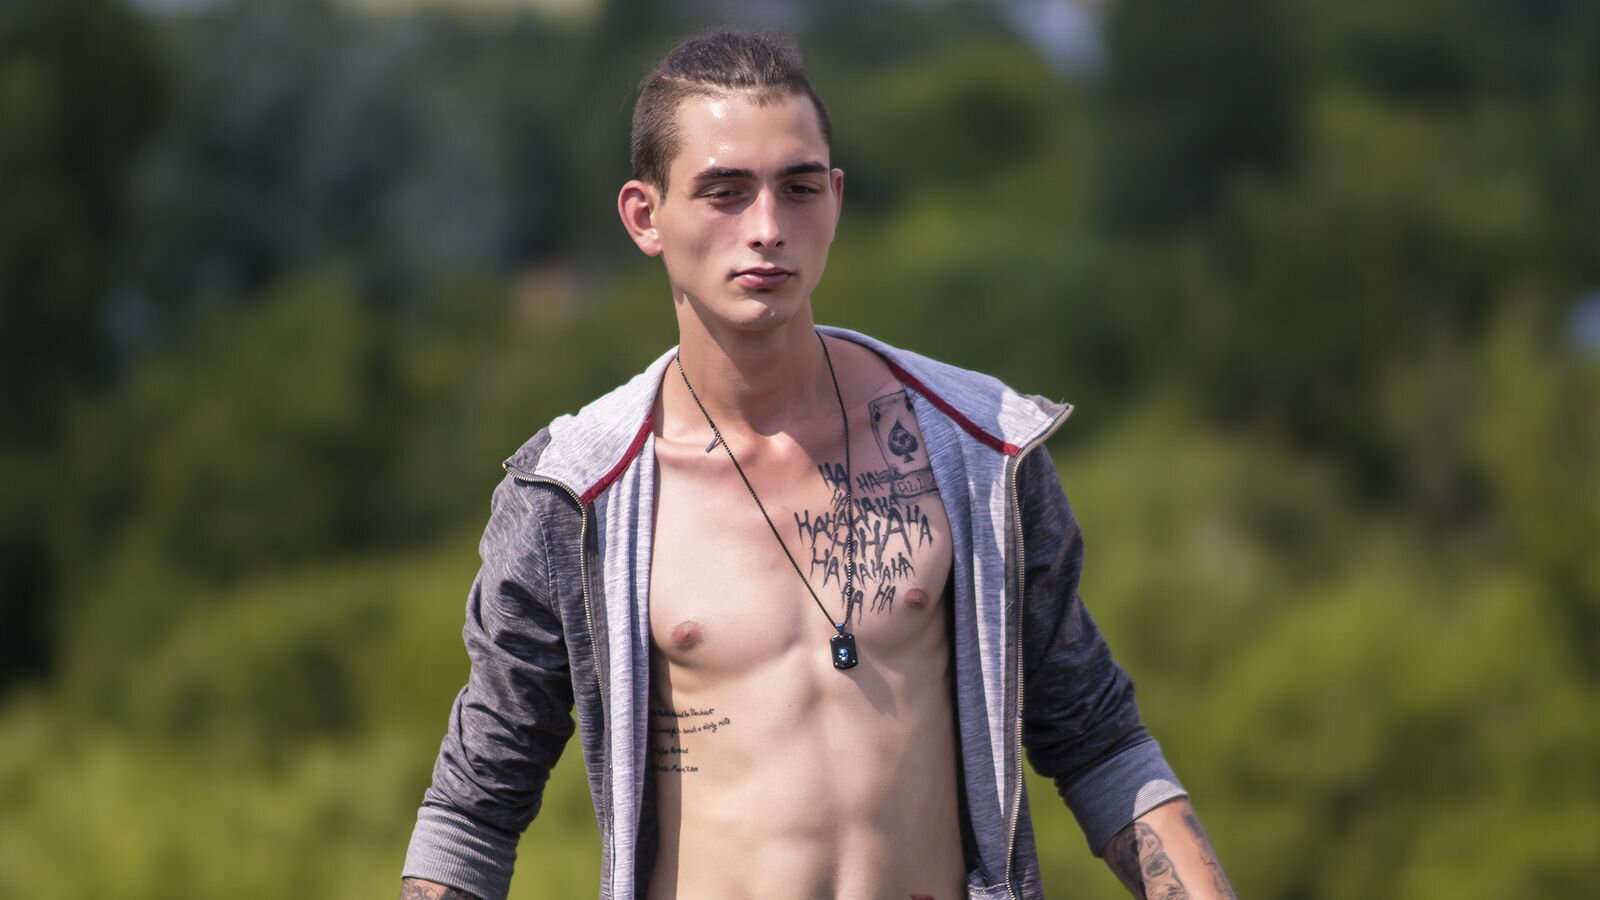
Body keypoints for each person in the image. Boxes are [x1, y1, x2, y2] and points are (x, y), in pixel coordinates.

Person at [400, 30, 1235, 900]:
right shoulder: (577, 496)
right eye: (725, 192)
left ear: (834, 200)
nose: (767, 229)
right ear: (645, 217)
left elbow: (1097, 736)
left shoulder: (977, 446)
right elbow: (475, 809)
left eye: (797, 188)